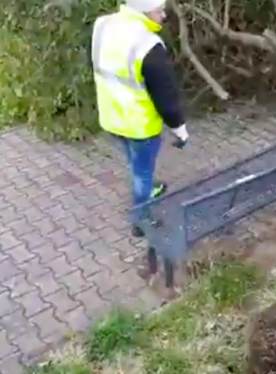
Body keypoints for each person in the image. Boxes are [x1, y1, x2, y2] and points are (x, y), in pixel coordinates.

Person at [91, 0, 188, 238]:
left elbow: (93, 63)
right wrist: (180, 129)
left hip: (111, 116)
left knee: (136, 165)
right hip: (139, 126)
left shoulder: (102, 25)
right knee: (141, 173)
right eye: (159, 11)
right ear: (143, 12)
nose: (164, 15)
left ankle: (147, 191)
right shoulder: (148, 45)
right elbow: (166, 96)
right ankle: (141, 220)